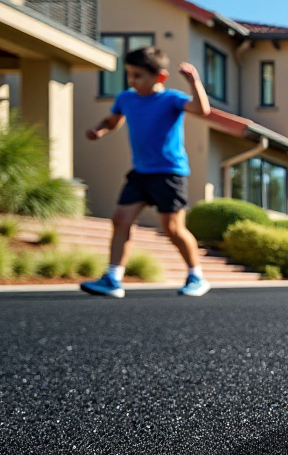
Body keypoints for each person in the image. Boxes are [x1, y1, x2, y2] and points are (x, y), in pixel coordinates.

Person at [80, 45, 213, 299]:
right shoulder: (126, 98)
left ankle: (196, 275)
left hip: (169, 172)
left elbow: (201, 110)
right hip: (141, 172)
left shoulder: (171, 99)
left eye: (138, 75)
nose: (133, 81)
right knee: (120, 219)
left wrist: (194, 81)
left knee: (173, 229)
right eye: (130, 74)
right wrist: (99, 130)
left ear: (160, 77)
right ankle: (113, 277)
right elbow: (113, 121)